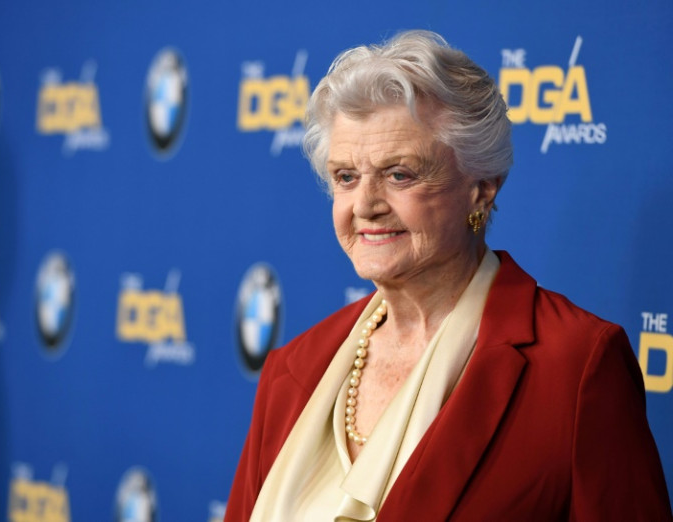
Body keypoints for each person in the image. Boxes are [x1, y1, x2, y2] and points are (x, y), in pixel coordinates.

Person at [224, 30, 672, 521]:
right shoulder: (293, 368)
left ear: (481, 188)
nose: (366, 205)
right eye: (346, 177)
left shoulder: (576, 366)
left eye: (400, 174)